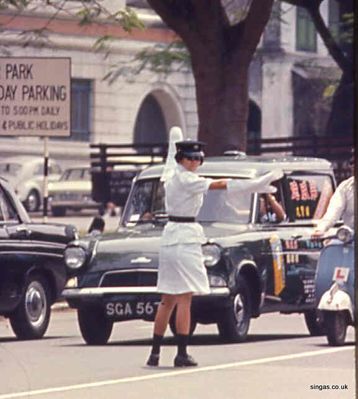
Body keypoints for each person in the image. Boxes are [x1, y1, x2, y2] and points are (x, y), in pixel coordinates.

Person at [146, 127, 283, 368]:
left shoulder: (171, 173)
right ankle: (181, 352)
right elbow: (220, 184)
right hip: (185, 236)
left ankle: (155, 353)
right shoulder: (187, 179)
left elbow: (169, 156)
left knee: (167, 299)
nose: (196, 162)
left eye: (198, 158)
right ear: (183, 160)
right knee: (184, 299)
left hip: (169, 237)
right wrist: (253, 185)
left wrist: (174, 139)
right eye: (191, 158)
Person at [312, 153, 354, 237]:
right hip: (350, 238)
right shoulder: (345, 187)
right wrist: (321, 228)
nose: (354, 166)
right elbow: (334, 210)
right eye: (352, 163)